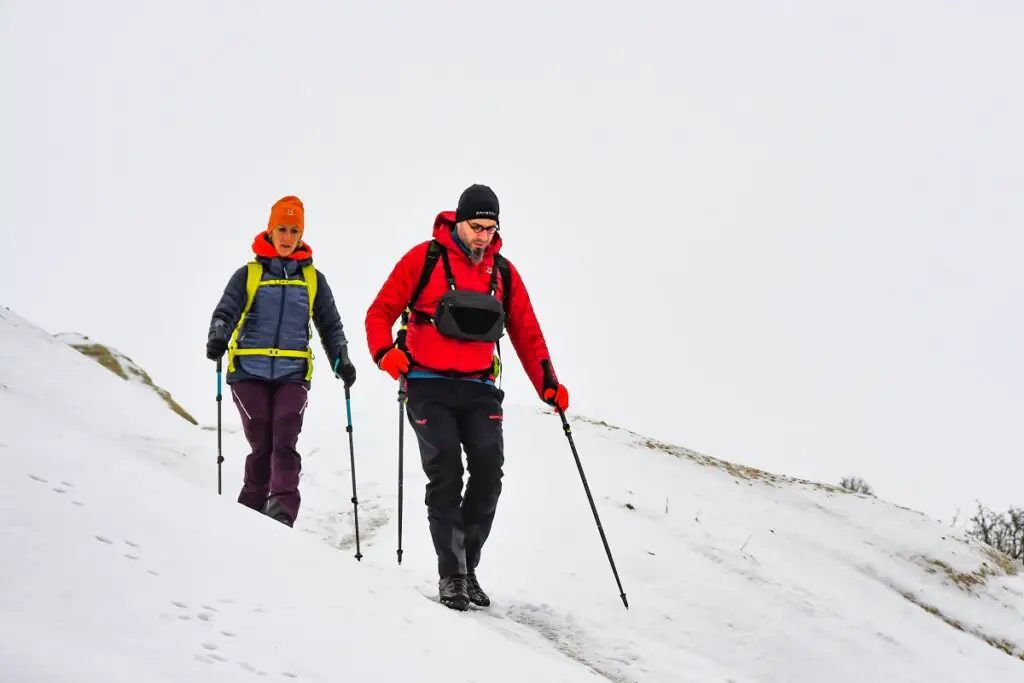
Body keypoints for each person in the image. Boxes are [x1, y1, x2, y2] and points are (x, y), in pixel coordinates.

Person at [365, 183, 570, 610]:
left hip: (479, 388)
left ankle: (467, 566)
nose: (483, 236)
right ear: (458, 222)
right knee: (446, 475)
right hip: (426, 384)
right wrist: (385, 354)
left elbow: (527, 333)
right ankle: (451, 575)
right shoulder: (425, 259)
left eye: (491, 228)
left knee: (488, 475)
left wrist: (547, 383)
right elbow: (380, 311)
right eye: (477, 227)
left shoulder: (504, 273)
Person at [206, 195, 356, 527]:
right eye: (282, 229)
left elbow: (330, 325)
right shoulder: (249, 274)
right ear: (270, 231)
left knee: (285, 434)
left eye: (293, 231)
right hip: (248, 370)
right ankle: (249, 508)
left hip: (292, 373)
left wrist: (341, 360)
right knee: (262, 438)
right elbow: (226, 312)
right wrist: (218, 336)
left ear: (301, 235)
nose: (287, 237)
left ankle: (281, 512)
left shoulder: (313, 278)